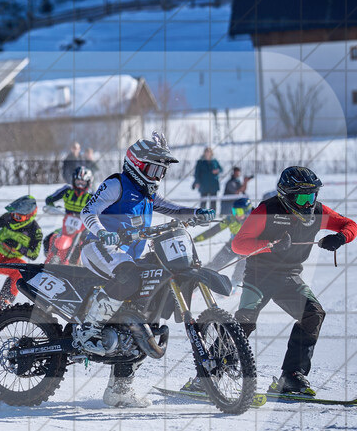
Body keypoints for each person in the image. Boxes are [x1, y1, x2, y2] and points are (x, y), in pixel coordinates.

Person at [79, 131, 214, 408]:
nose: (157, 176)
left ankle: (120, 390)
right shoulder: (117, 184)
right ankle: (88, 329)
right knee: (128, 275)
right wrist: (103, 233)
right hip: (98, 248)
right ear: (136, 165)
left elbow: (173, 210)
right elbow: (88, 211)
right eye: (153, 169)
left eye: (161, 171)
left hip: (128, 259)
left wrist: (196, 213)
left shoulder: (148, 194)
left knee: (143, 315)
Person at [231, 166, 356, 396]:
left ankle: (291, 376)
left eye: (312, 196)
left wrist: (339, 238)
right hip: (259, 276)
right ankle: (212, 371)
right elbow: (238, 244)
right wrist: (268, 245)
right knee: (245, 322)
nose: (309, 203)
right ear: (286, 195)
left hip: (289, 276)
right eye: (302, 197)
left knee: (313, 314)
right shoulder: (266, 210)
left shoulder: (317, 212)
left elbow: (351, 225)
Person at [193, 197, 253, 285]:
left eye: (239, 212)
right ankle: (197, 284)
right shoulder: (231, 219)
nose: (236, 215)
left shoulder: (254, 220)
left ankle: (234, 285)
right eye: (234, 211)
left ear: (247, 211)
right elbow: (213, 231)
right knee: (214, 265)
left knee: (243, 264)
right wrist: (194, 240)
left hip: (247, 247)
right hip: (232, 245)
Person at [44, 166, 93, 257]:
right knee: (49, 238)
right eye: (78, 181)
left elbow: (101, 208)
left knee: (88, 243)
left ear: (88, 182)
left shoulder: (92, 195)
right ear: (73, 180)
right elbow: (49, 199)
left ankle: (85, 262)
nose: (80, 184)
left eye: (83, 182)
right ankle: (50, 257)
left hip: (84, 225)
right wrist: (52, 208)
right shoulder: (67, 190)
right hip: (67, 224)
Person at [192, 146, 222, 211]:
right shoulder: (200, 162)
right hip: (204, 185)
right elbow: (196, 173)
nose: (208, 153)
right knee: (203, 202)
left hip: (213, 185)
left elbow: (221, 169)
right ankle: (202, 215)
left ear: (211, 153)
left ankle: (213, 215)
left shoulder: (215, 161)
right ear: (204, 153)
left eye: (209, 152)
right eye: (206, 152)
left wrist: (217, 171)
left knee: (213, 202)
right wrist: (197, 182)